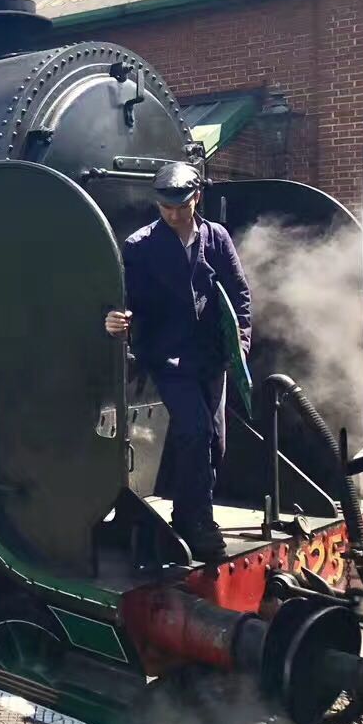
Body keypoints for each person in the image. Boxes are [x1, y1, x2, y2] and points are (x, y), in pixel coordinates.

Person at [104, 162, 251, 561]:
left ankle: (189, 514)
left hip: (212, 356)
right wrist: (115, 320)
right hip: (168, 357)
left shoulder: (217, 238)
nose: (173, 215)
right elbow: (125, 300)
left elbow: (239, 293)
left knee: (215, 440)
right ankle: (198, 522)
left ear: (196, 198)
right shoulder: (139, 246)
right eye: (165, 208)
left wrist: (240, 343)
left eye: (180, 207)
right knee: (196, 430)